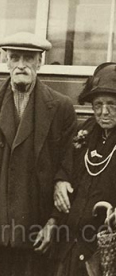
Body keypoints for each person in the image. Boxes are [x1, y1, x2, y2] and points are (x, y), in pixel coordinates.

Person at [0, 31, 77, 276]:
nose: (21, 65)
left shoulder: (60, 107)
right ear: (6, 60)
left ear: (40, 62)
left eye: (29, 58)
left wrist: (54, 222)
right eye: (15, 58)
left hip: (38, 225)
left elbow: (67, 164)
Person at [53, 62, 116, 276]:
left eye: (112, 104)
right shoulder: (87, 130)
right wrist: (61, 182)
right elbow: (66, 166)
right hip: (73, 243)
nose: (104, 112)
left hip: (106, 249)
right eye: (98, 104)